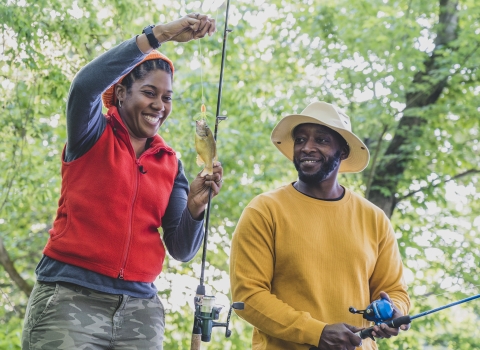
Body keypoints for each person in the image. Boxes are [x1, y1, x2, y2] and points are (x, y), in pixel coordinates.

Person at [22, 13, 221, 350]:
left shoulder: (171, 163)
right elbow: (84, 86)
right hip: (70, 298)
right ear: (122, 92)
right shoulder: (91, 133)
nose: (159, 105)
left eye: (167, 98)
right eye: (149, 92)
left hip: (140, 313)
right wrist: (158, 36)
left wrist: (197, 208)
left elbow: (182, 248)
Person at [229, 101, 410, 350]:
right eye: (301, 139)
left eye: (322, 140)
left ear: (343, 151)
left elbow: (394, 290)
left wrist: (394, 312)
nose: (307, 148)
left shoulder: (374, 218)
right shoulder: (264, 211)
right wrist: (317, 332)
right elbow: (247, 297)